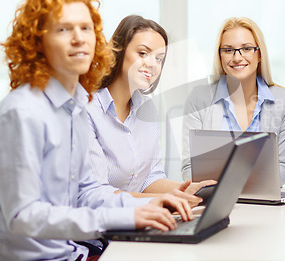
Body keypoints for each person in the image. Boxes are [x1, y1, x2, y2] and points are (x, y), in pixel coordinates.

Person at [0, 0, 193, 261]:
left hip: (73, 252)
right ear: (37, 41)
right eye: (63, 29)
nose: (79, 38)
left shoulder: (75, 104)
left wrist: (146, 205)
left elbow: (88, 191)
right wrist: (123, 216)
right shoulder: (23, 111)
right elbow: (22, 216)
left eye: (86, 28)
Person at [87, 15, 214, 202]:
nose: (153, 64)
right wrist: (159, 202)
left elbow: (150, 178)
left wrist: (189, 190)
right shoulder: (88, 108)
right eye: (143, 53)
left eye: (159, 58)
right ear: (119, 51)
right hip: (98, 225)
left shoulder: (147, 108)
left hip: (137, 221)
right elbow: (96, 194)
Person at [181, 17, 285, 185]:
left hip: (262, 203)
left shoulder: (283, 101)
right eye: (228, 50)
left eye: (246, 48)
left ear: (259, 54)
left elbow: (282, 166)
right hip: (212, 199)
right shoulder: (199, 99)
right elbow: (189, 167)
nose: (237, 57)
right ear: (220, 56)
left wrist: (253, 187)